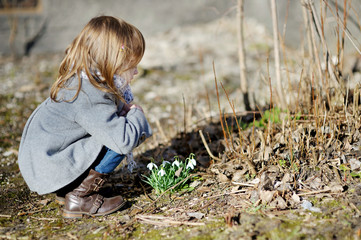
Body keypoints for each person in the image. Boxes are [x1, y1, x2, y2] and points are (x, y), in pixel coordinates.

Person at [18, 16, 152, 218]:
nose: (136, 71)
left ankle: (72, 186)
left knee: (114, 129)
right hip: (50, 166)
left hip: (47, 162)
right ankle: (80, 197)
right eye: (131, 65)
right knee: (119, 138)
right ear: (113, 60)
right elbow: (123, 140)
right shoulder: (90, 94)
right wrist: (136, 115)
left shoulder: (85, 79)